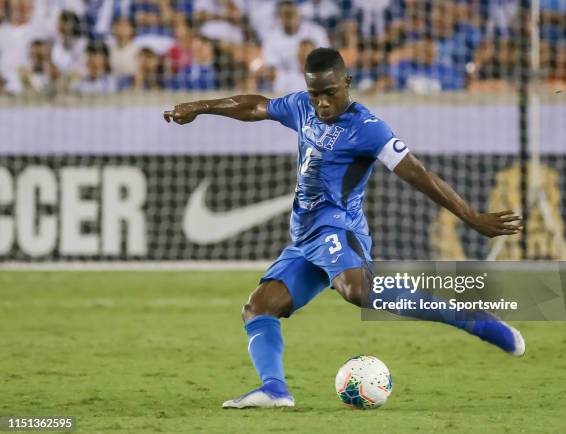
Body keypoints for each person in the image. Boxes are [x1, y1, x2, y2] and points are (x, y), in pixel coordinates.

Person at [163, 47, 525, 409]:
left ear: (347, 82)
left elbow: (420, 175)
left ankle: (473, 320)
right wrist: (199, 107)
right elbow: (255, 106)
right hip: (305, 238)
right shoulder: (301, 107)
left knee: (355, 290)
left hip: (338, 227)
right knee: (259, 307)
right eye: (314, 93)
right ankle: (275, 390)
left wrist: (471, 217)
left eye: (330, 93)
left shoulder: (368, 129)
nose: (321, 103)